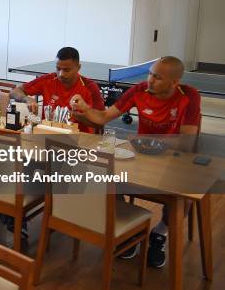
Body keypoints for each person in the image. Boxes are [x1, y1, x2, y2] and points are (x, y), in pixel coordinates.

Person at [69, 56, 201, 268]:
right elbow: (103, 117)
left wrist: (144, 140)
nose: (150, 80)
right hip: (140, 156)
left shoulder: (190, 96)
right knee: (111, 178)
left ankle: (159, 234)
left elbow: (186, 143)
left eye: (157, 77)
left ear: (174, 83)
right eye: (150, 74)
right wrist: (84, 109)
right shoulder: (140, 90)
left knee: (181, 198)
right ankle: (128, 232)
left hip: (176, 161)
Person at [10, 47, 105, 133]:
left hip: (79, 139)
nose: (61, 74)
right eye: (58, 69)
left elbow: (100, 123)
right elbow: (14, 92)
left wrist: (76, 116)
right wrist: (26, 99)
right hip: (47, 135)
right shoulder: (48, 80)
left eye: (66, 70)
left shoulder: (90, 87)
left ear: (78, 67)